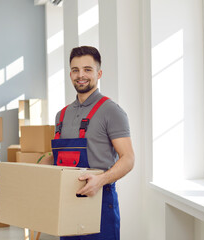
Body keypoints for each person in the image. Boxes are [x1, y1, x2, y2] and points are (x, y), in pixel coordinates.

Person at [44, 46, 135, 240]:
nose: (81, 75)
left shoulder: (111, 111)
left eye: (87, 69)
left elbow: (128, 159)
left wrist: (100, 181)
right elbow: (60, 157)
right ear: (70, 74)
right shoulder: (62, 115)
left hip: (99, 199)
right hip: (67, 201)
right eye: (75, 70)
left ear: (99, 73)